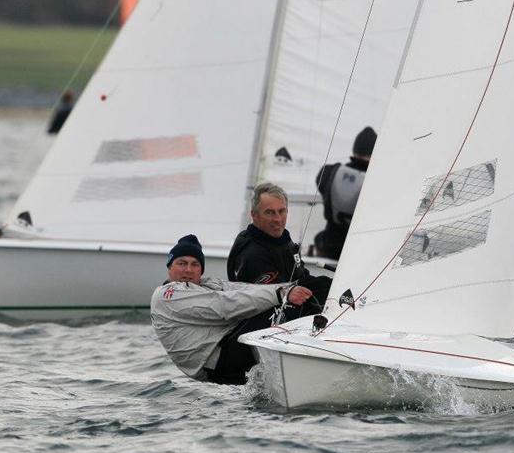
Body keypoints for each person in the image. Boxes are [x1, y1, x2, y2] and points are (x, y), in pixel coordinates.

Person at [151, 234, 314, 385]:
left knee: (314, 286)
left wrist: (292, 288)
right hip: (219, 366)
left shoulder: (207, 284)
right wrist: (282, 295)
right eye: (182, 263)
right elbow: (224, 306)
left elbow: (245, 290)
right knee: (290, 304)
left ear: (201, 270)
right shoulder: (167, 294)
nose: (188, 269)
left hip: (230, 348)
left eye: (195, 264)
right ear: (169, 267)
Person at [227, 183, 331, 318]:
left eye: (281, 211)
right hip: (263, 321)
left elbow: (302, 277)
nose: (277, 219)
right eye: (269, 212)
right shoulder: (252, 255)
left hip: (292, 305)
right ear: (254, 215)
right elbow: (272, 299)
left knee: (328, 285)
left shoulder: (282, 240)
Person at [313, 126, 376, 260]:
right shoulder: (377, 180)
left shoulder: (328, 172)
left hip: (330, 248)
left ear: (355, 150)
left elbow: (322, 186)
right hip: (360, 252)